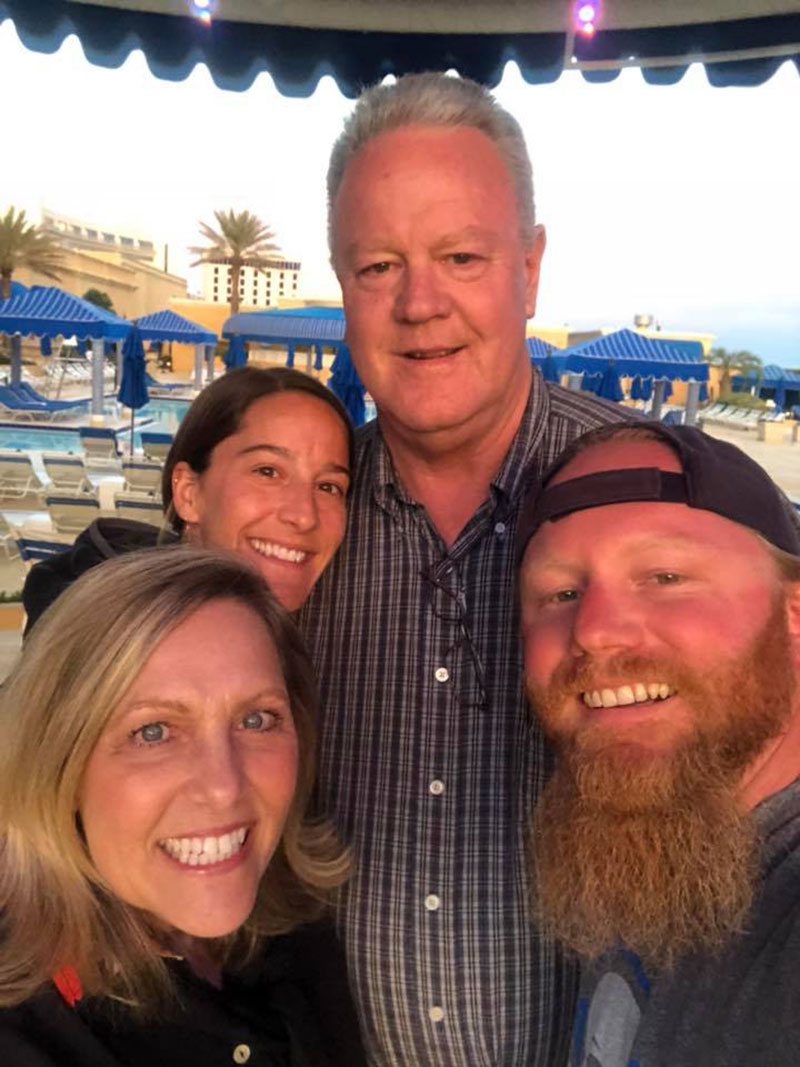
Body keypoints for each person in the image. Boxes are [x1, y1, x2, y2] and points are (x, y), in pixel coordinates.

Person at [298, 71, 633, 1066]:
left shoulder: (654, 501)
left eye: (459, 255)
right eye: (376, 266)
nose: (418, 303)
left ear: (527, 270)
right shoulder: (296, 526)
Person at [0, 547, 366, 1066]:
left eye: (258, 720)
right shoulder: (29, 1033)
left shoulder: (298, 933)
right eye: (153, 732)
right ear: (61, 764)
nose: (223, 787)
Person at [517, 422, 800, 1067]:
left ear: (794, 618)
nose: (594, 631)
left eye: (666, 576)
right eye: (559, 593)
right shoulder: (650, 850)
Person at [22, 365, 354, 630]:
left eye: (328, 486)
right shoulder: (113, 647)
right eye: (267, 471)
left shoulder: (254, 637)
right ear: (189, 493)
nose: (304, 516)